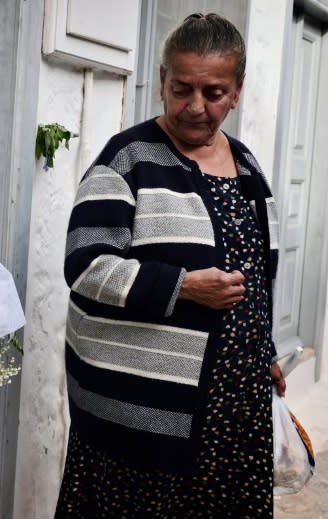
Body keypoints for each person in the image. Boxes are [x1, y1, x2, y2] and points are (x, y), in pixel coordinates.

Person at [55, 13, 286, 518]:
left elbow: (258, 280)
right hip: (144, 420)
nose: (196, 107)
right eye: (182, 88)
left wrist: (263, 349)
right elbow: (87, 264)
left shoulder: (248, 170)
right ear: (161, 80)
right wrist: (182, 286)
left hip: (233, 415)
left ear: (237, 90)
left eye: (215, 92)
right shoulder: (129, 159)